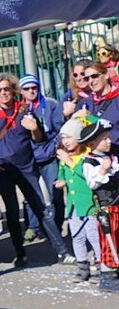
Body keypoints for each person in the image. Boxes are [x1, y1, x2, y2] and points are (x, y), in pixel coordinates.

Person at [0, 72, 70, 266]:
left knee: (41, 209)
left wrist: (34, 128)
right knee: (12, 212)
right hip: (3, 170)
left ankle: (62, 251)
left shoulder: (24, 111)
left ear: (13, 91)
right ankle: (20, 253)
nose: (3, 93)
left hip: (26, 168)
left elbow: (37, 139)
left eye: (6, 89)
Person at [55, 118, 103, 282]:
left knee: (94, 236)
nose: (65, 141)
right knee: (77, 237)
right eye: (63, 138)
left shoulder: (86, 157)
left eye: (69, 137)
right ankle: (82, 267)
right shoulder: (65, 158)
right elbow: (62, 173)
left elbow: (87, 178)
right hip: (73, 206)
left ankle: (101, 266)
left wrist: (69, 162)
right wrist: (61, 180)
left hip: (89, 205)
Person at [19, 74, 65, 240]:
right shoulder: (20, 109)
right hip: (29, 158)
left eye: (34, 87)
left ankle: (56, 226)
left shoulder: (51, 104)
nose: (31, 91)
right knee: (31, 194)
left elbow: (60, 129)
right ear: (21, 91)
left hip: (48, 156)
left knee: (55, 194)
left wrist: (54, 148)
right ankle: (33, 227)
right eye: (27, 89)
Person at [81, 117, 119, 291]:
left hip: (117, 204)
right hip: (107, 208)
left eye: (108, 137)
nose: (108, 140)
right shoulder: (90, 161)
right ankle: (107, 277)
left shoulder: (112, 156)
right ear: (92, 143)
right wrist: (103, 169)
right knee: (108, 242)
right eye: (104, 138)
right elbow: (93, 183)